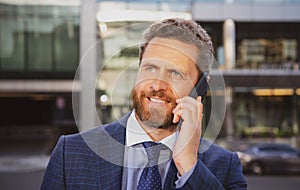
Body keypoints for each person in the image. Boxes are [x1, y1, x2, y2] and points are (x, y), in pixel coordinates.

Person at [41, 18, 247, 190]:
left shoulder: (225, 166)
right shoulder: (71, 153)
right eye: (150, 68)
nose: (157, 85)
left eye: (175, 73)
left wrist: (189, 164)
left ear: (201, 86)